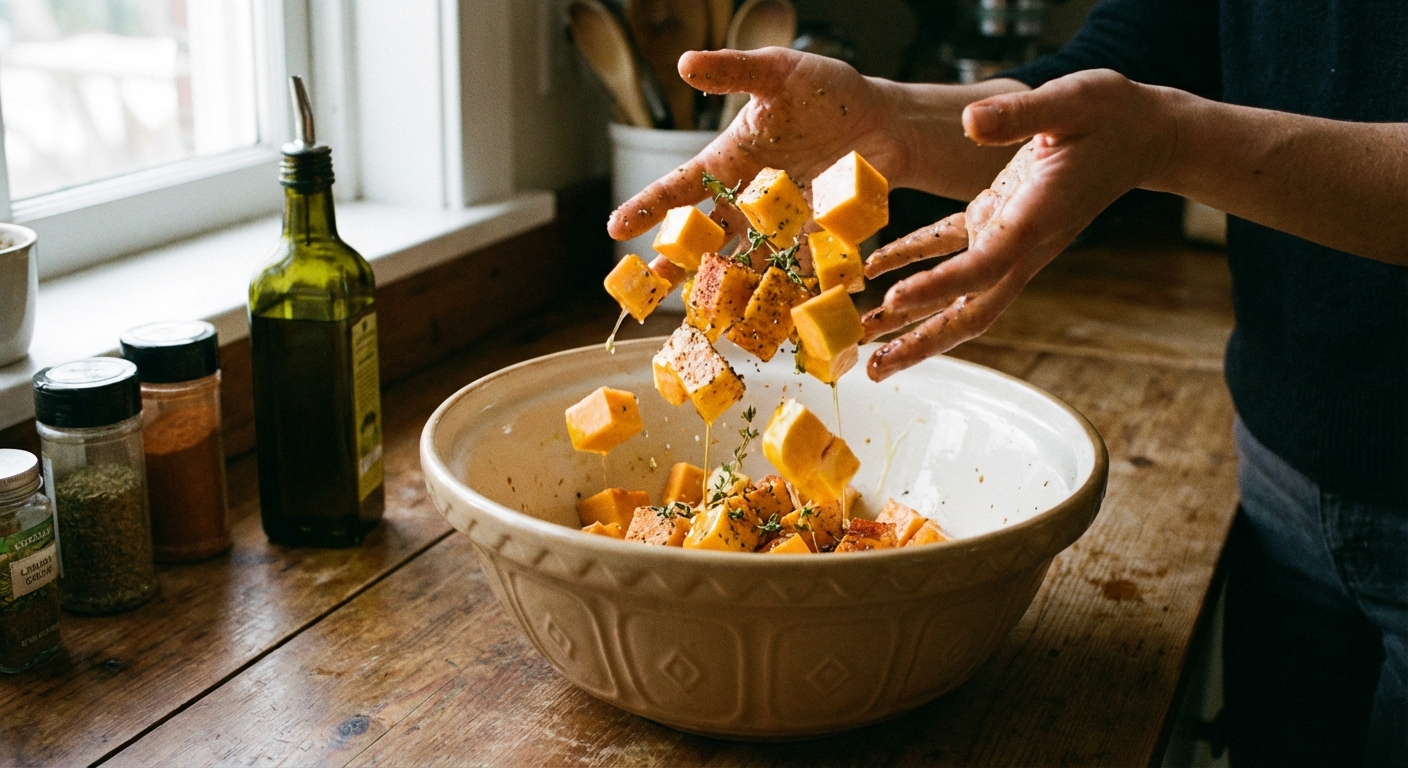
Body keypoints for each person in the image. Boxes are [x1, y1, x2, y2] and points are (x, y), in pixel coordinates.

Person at [607, 1, 1408, 764]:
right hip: (1280, 459)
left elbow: (1142, 124)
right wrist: (891, 123)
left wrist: (1165, 143)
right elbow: (1123, 64)